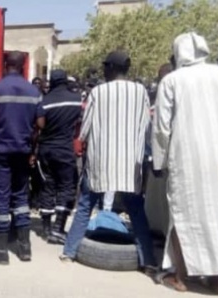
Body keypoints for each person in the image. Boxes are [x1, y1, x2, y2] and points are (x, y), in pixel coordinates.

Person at [152, 32, 218, 295]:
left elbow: (162, 129)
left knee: (182, 216)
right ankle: (216, 281)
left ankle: (180, 277)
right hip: (216, 158)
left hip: (183, 158)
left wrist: (159, 160)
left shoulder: (172, 80)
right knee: (214, 215)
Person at [60, 51, 157, 274]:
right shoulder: (140, 91)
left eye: (105, 66)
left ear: (111, 67)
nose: (103, 70)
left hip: (100, 162)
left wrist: (84, 140)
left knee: (85, 206)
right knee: (136, 211)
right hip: (129, 163)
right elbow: (146, 126)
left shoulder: (98, 92)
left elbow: (84, 130)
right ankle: (148, 261)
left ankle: (69, 252)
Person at [0, 51, 45, 265]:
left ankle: (0, 250)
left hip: (0, 152)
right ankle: (25, 249)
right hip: (22, 152)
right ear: (23, 66)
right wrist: (32, 150)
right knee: (21, 198)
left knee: (1, 198)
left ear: (6, 65)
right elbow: (40, 125)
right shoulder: (34, 91)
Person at [37, 69, 82, 244]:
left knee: (47, 186)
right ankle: (58, 228)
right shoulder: (76, 101)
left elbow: (39, 125)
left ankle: (46, 229)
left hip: (46, 149)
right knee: (66, 187)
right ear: (65, 81)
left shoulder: (44, 101)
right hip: (65, 149)